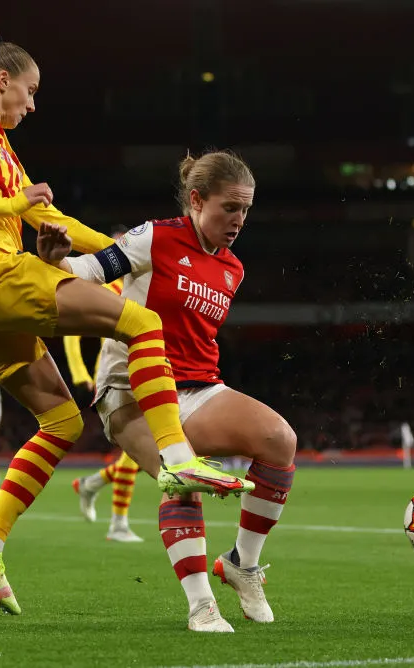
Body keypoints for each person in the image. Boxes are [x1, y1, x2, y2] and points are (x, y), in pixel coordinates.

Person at [0, 28, 252, 615]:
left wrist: (120, 246)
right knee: (142, 322)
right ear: (3, 81)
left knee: (62, 422)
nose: (33, 104)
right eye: (30, 90)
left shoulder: (2, 151)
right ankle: (176, 459)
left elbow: (54, 218)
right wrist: (13, 208)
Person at [40, 150, 296, 633]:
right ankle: (201, 605)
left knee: (280, 441)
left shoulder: (233, 269)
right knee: (182, 477)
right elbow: (90, 270)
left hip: (198, 387)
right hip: (130, 390)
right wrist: (54, 261)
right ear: (197, 200)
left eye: (246, 210)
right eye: (230, 208)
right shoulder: (154, 237)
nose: (239, 220)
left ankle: (242, 563)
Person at [64, 225, 143, 543]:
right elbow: (74, 329)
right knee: (139, 453)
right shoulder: (104, 287)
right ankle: (118, 524)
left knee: (144, 454)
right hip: (116, 375)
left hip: (145, 372)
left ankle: (91, 485)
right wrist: (79, 372)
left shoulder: (141, 285)